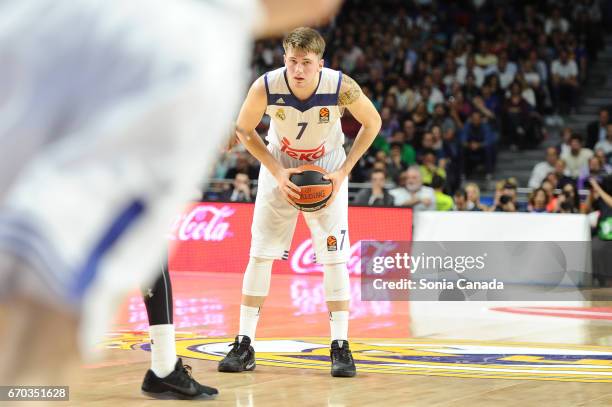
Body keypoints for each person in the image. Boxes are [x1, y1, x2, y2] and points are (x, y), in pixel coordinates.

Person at [0, 0, 344, 392]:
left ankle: (164, 366)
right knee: (41, 325)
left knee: (141, 257)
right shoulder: (189, 50)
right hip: (149, 70)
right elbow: (37, 291)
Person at [218, 27, 381, 378]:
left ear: (320, 63)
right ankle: (245, 343)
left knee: (335, 258)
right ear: (284, 59)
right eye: (293, 61)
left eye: (306, 63)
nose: (299, 70)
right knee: (260, 254)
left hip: (327, 169)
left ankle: (340, 346)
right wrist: (276, 171)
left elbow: (373, 123)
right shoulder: (266, 85)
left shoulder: (341, 86)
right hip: (280, 166)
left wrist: (344, 172)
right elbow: (244, 130)